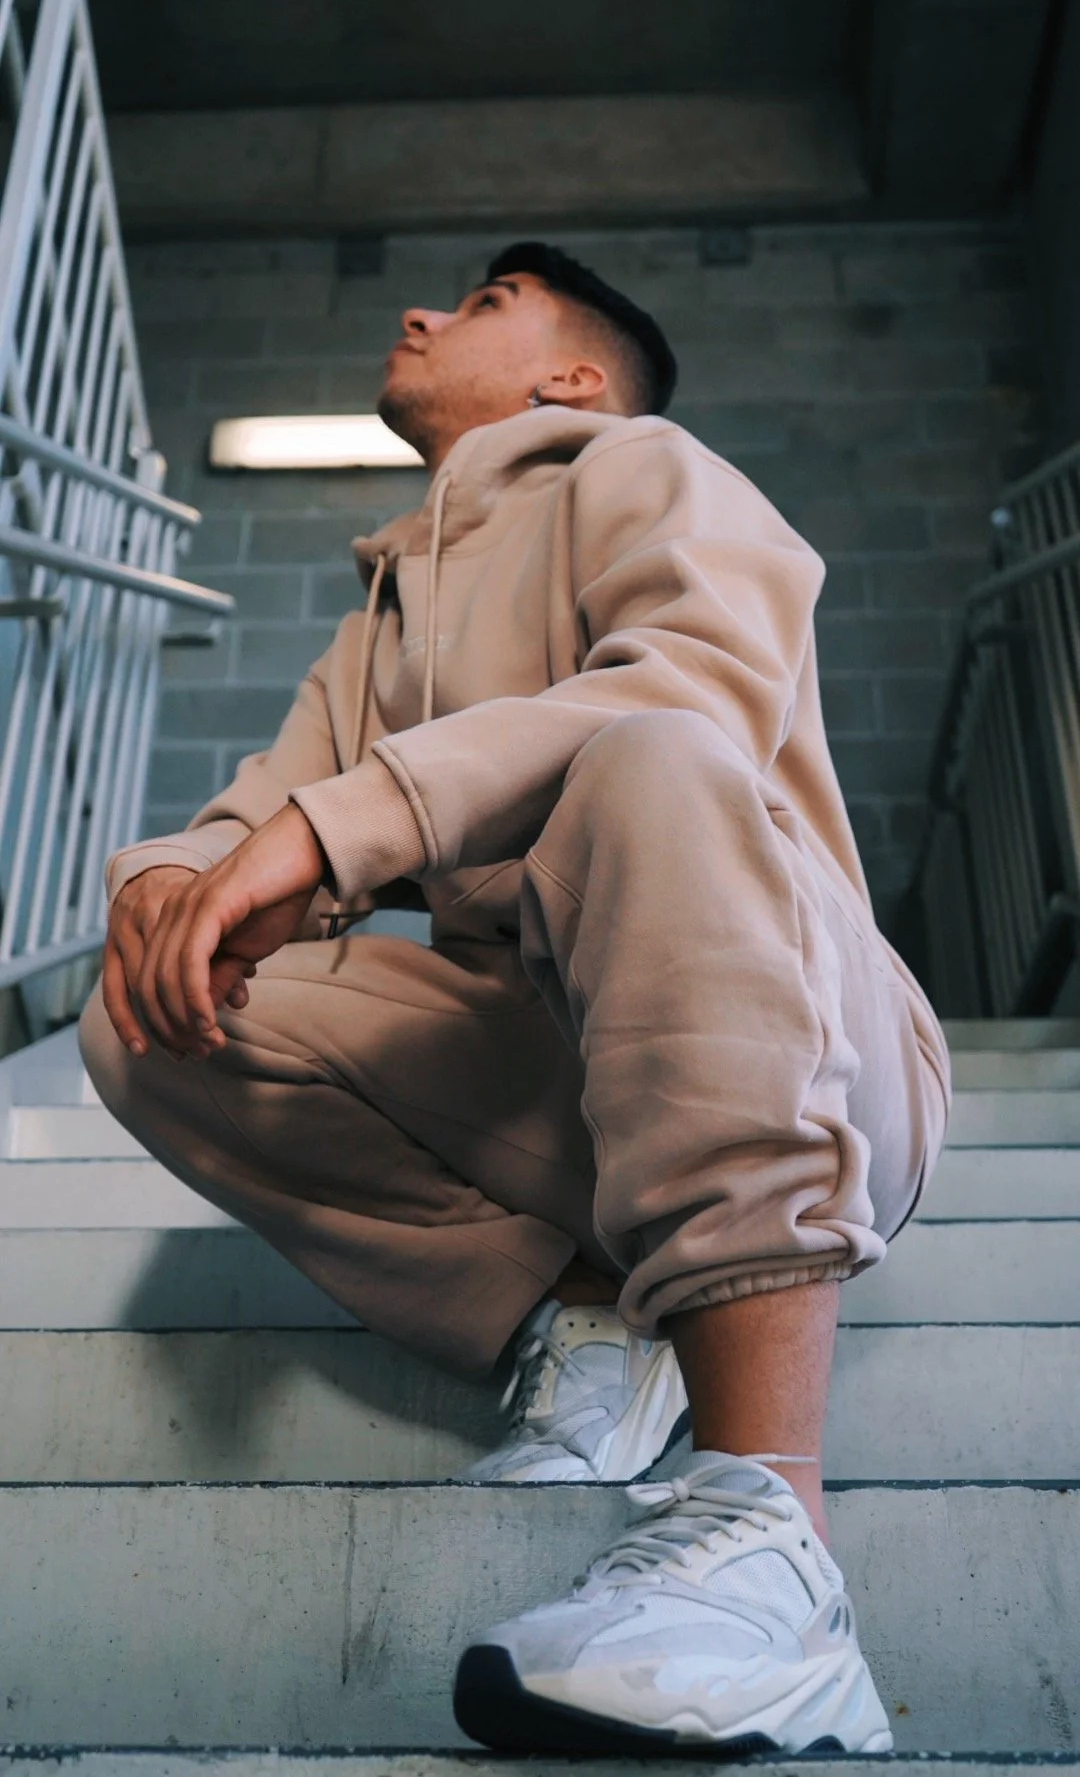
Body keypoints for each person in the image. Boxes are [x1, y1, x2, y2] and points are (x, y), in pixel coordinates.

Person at [79, 240, 950, 1756]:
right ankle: (588, 1316)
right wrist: (173, 884)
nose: (421, 311)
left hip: (803, 1043)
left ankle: (774, 1545)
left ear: (571, 377)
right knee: (147, 1008)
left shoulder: (648, 466)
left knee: (651, 756)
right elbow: (252, 817)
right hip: (564, 1083)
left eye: (479, 303)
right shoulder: (384, 617)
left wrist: (343, 829)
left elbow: (696, 695)